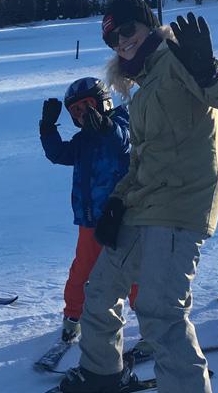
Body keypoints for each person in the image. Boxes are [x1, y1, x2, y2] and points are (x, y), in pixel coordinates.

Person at [57, 0, 218, 393]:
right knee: (100, 293)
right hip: (142, 207)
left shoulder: (180, 59)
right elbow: (139, 163)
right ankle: (101, 375)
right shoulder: (142, 91)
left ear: (148, 25)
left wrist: (208, 71)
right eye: (113, 39)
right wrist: (115, 202)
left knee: (160, 312)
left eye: (128, 30)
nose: (122, 42)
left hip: (181, 208)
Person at [38, 77, 132, 342]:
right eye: (76, 112)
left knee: (133, 272)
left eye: (87, 106)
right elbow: (59, 155)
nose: (82, 115)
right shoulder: (82, 141)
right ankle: (73, 317)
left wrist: (106, 126)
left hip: (123, 218)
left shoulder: (122, 124)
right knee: (82, 270)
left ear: (103, 103)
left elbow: (123, 141)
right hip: (90, 221)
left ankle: (150, 324)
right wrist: (47, 129)